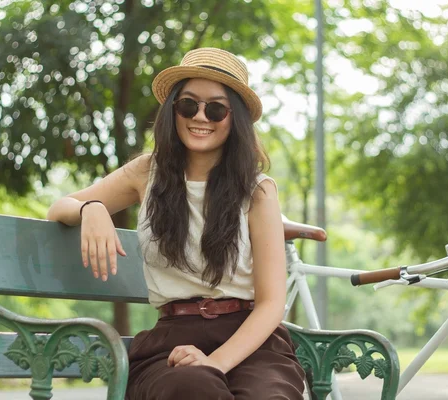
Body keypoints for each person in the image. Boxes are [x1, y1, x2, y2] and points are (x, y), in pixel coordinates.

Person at [47, 47, 306, 399]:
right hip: (170, 341)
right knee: (191, 387)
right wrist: (90, 208)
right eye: (189, 104)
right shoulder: (146, 172)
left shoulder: (256, 191)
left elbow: (271, 303)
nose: (201, 117)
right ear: (173, 109)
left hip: (252, 344)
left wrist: (214, 362)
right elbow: (59, 207)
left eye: (216, 108)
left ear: (235, 119)